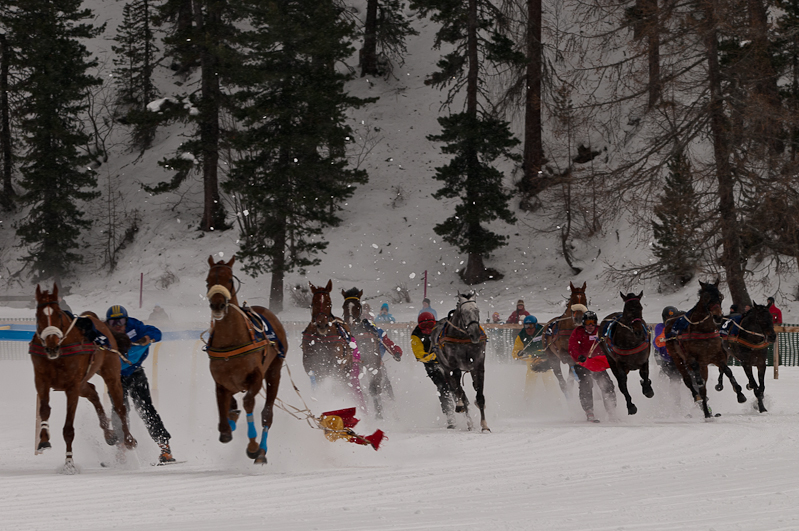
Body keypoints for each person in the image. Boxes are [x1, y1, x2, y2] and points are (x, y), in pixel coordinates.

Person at [104, 305, 175, 464]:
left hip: (136, 373)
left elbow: (156, 332)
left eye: (121, 321)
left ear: (127, 320)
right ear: (108, 323)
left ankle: (165, 448)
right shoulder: (104, 333)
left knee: (146, 408)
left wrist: (148, 338)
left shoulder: (135, 326)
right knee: (120, 410)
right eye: (113, 323)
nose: (118, 326)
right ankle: (121, 450)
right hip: (115, 377)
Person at [568, 310, 617, 422]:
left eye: (593, 323)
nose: (591, 325)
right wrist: (578, 356)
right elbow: (572, 347)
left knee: (607, 385)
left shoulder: (600, 331)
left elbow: (609, 344)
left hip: (597, 364)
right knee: (586, 384)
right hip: (583, 364)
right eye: (588, 322)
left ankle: (611, 411)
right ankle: (589, 411)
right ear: (584, 323)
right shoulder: (578, 332)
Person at [411, 311, 456, 428]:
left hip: (447, 362)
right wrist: (435, 356)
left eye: (430, 326)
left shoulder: (442, 328)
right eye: (423, 327)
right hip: (431, 365)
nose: (427, 330)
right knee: (442, 387)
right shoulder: (416, 335)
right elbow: (420, 355)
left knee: (454, 385)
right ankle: (449, 414)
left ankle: (461, 405)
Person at [512, 315, 558, 399]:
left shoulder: (543, 331)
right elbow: (515, 352)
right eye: (526, 326)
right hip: (532, 359)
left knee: (547, 376)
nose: (529, 329)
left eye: (531, 326)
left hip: (545, 358)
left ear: (536, 325)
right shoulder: (521, 336)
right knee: (531, 377)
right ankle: (528, 399)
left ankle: (554, 399)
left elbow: (552, 342)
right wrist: (519, 353)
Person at [653, 306, 681, 380]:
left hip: (683, 358)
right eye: (668, 317)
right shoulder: (660, 327)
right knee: (675, 377)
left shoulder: (681, 326)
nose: (670, 319)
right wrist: (667, 339)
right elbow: (658, 341)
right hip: (669, 359)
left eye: (673, 317)